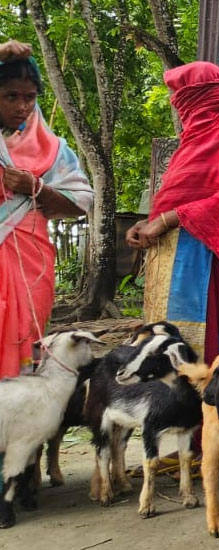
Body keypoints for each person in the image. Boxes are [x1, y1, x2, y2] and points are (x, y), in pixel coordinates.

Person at [127, 62, 219, 363]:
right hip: (175, 250)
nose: (175, 103)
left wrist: (164, 221)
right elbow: (181, 196)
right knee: (169, 341)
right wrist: (147, 222)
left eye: (179, 95)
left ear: (199, 96)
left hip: (207, 254)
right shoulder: (194, 137)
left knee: (207, 342)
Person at [0, 50, 93, 378]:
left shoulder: (52, 149)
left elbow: (81, 200)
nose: (22, 106)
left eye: (29, 97)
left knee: (26, 329)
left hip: (31, 262)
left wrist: (36, 187)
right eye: (11, 96)